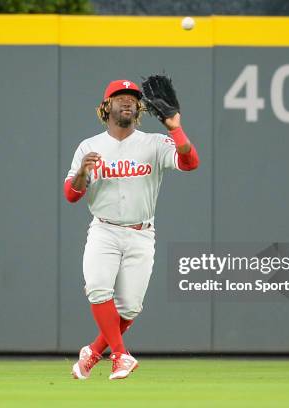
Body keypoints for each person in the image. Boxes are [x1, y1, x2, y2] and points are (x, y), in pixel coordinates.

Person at [63, 79, 200, 380]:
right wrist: (83, 173)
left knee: (130, 308)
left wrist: (175, 127)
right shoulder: (89, 147)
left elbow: (190, 162)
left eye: (132, 98)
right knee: (98, 287)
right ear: (106, 106)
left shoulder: (154, 143)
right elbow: (71, 195)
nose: (126, 101)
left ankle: (94, 352)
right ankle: (121, 356)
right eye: (119, 97)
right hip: (104, 230)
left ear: (139, 107)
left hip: (141, 232)